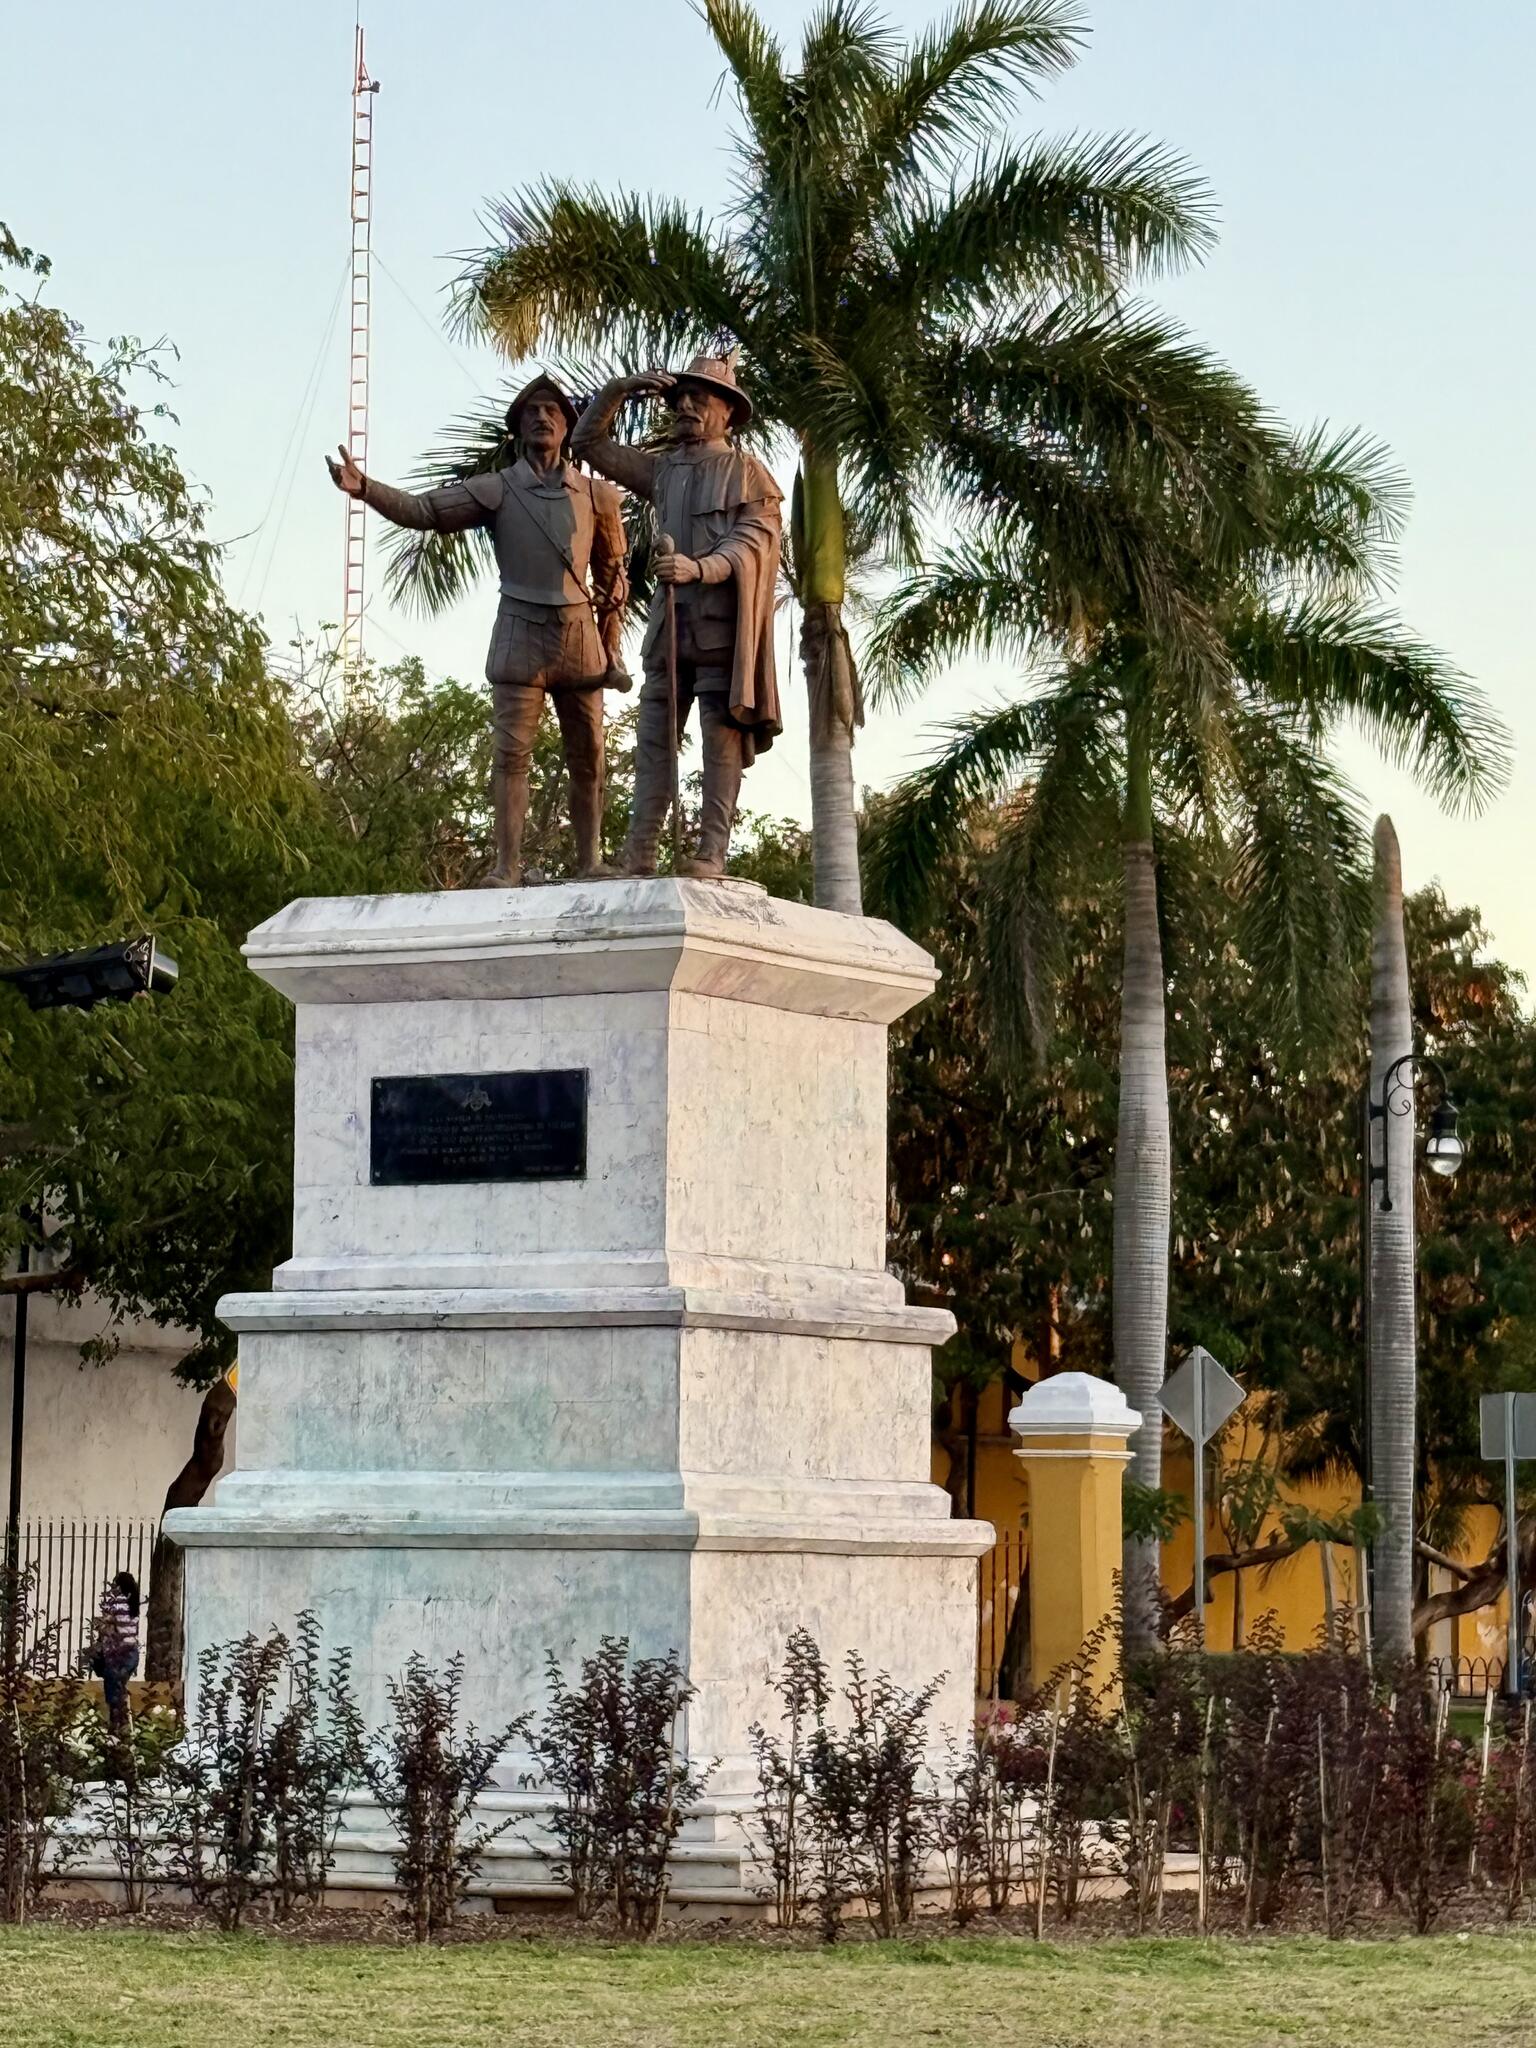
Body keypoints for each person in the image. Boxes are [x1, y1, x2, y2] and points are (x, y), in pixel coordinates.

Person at [326, 374, 630, 886]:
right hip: (518, 632)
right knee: (511, 754)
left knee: (591, 755)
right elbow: (425, 511)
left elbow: (614, 579)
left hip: (579, 638)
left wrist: (611, 647)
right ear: (517, 428)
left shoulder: (597, 496)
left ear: (567, 425)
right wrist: (366, 489)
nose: (542, 417)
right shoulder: (497, 489)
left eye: (552, 410)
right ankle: (506, 867)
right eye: (531, 410)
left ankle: (590, 862)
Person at [571, 351, 782, 878]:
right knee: (653, 744)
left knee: (719, 740)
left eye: (699, 397)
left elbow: (753, 543)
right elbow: (587, 444)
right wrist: (618, 389)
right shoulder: (663, 470)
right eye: (679, 398)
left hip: (719, 633)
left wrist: (699, 568)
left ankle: (711, 850)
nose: (686, 405)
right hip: (668, 630)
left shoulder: (749, 474)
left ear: (727, 412)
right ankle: (638, 853)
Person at [94, 1570, 140, 1733]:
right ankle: (124, 1724)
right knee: (120, 1687)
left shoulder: (116, 1602)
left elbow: (104, 1625)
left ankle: (117, 1726)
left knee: (113, 1691)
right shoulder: (134, 1602)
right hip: (132, 1653)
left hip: (117, 1654)